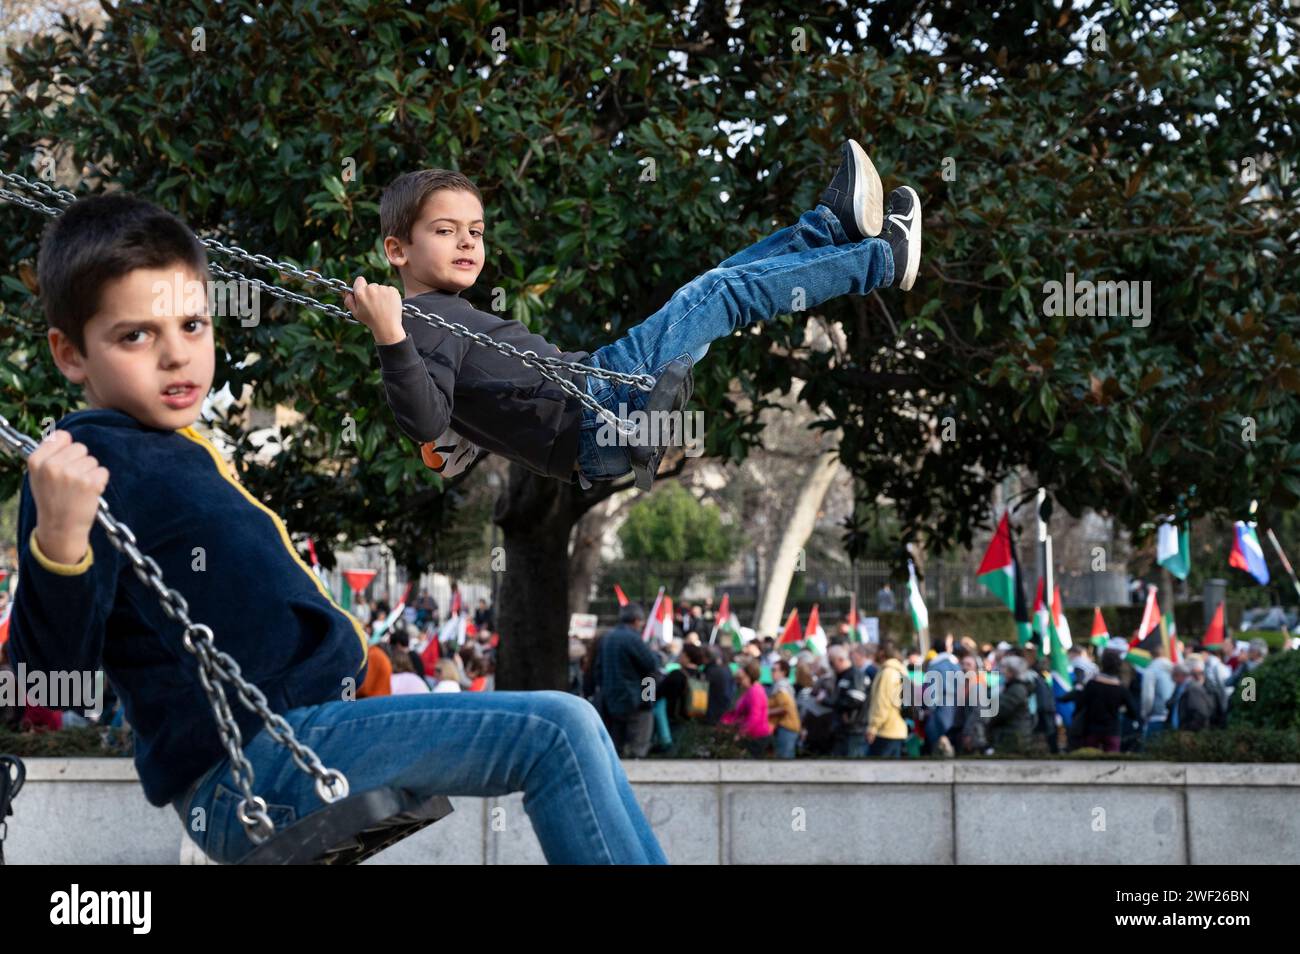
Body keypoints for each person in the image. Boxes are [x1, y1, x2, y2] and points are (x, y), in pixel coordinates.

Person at [7, 194, 666, 865]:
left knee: (569, 728)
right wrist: (59, 543)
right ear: (69, 354)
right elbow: (47, 675)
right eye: (136, 335)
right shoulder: (81, 467)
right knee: (558, 729)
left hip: (303, 740)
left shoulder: (174, 447)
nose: (177, 356)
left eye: (194, 325)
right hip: (254, 771)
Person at [349, 141, 924, 487]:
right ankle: (879, 259)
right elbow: (423, 420)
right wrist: (389, 334)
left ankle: (830, 229)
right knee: (715, 294)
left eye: (474, 231)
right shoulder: (418, 322)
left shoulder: (441, 318)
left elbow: (448, 430)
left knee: (716, 285)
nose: (467, 244)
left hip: (596, 411)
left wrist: (455, 431)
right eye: (445, 232)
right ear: (397, 249)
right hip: (597, 406)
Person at [593, 603, 658, 758]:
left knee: (616, 745)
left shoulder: (607, 637)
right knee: (639, 740)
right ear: (636, 620)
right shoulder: (633, 638)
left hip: (611, 698)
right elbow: (651, 664)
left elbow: (598, 668)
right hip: (636, 697)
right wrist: (654, 653)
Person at [1056, 649, 1137, 752]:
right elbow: (1133, 712)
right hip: (1112, 731)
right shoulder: (1121, 689)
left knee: (1090, 762)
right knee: (1112, 761)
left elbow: (1080, 703)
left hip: (1091, 731)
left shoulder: (1091, 685)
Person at [720, 659, 773, 757]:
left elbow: (754, 717)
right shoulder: (749, 690)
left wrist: (741, 733)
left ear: (748, 675)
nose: (739, 681)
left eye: (741, 678)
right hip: (750, 735)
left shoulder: (755, 691)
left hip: (755, 738)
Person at [864, 641, 908, 757]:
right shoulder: (899, 670)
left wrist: (873, 727)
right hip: (896, 729)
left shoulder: (887, 673)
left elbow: (882, 703)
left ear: (882, 652)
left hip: (885, 731)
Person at [826, 644, 871, 757]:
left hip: (854, 730)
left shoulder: (855, 675)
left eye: (832, 662)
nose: (831, 666)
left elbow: (856, 700)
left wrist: (835, 704)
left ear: (840, 659)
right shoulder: (841, 675)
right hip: (843, 730)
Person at [989, 654, 1038, 753]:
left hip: (1014, 736)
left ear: (1012, 671)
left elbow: (1000, 711)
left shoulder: (1017, 689)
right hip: (1011, 734)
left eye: (1004, 668)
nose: (1002, 671)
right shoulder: (1013, 687)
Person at [767, 659, 802, 758]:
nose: (772, 672)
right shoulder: (782, 685)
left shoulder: (782, 687)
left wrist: (766, 712)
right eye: (771, 670)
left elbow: (785, 708)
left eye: (774, 670)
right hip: (787, 728)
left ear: (783, 672)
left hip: (787, 728)